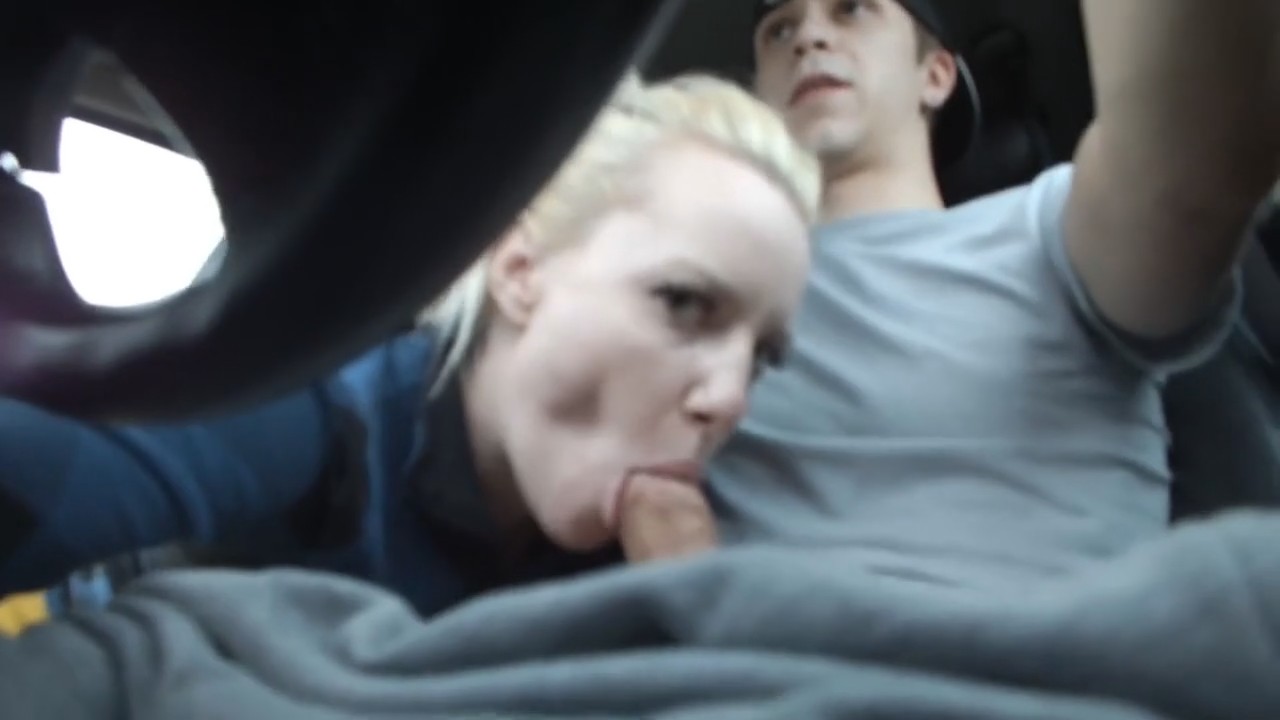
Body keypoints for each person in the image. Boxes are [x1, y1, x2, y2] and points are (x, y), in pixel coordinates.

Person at [0, 72, 821, 617]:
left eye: (762, 355)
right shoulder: (326, 405)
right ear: (519, 270)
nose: (729, 399)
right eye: (683, 303)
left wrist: (698, 612)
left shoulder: (655, 547)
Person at [708, 0, 1280, 591]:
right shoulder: (701, 296)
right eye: (779, 30)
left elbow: (1194, 165)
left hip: (1055, 645)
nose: (807, 38)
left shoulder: (1046, 230)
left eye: (851, 10)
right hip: (770, 650)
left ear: (936, 75)